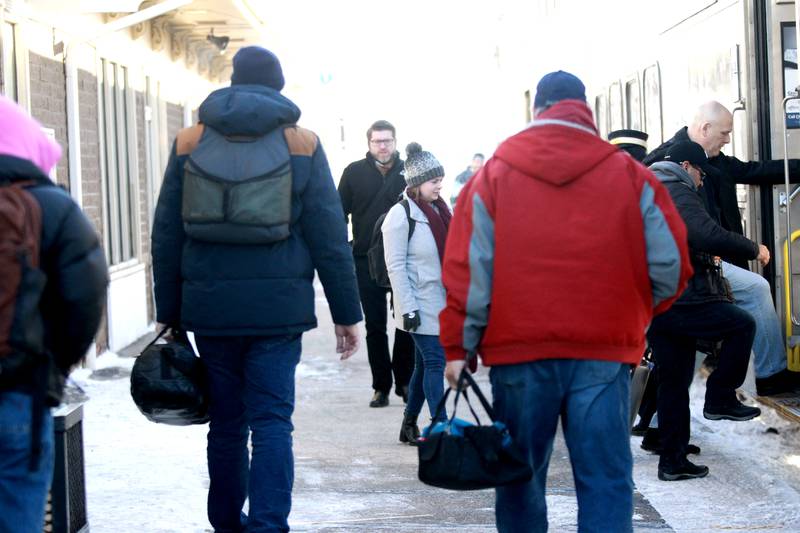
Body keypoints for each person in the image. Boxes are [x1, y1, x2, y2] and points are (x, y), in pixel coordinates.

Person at [439, 71, 692, 533]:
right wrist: (634, 314)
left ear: (537, 112)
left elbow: (469, 271)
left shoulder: (493, 175)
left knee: (518, 478)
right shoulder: (630, 175)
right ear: (585, 112)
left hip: (519, 353)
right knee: (606, 481)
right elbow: (671, 265)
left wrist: (460, 345)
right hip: (602, 352)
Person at [151, 46, 362, 533]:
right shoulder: (301, 143)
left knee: (226, 423)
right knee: (271, 422)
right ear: (279, 87)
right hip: (278, 311)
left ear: (232, 82)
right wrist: (347, 314)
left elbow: (167, 232)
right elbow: (329, 235)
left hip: (211, 309)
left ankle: (226, 522)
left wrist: (170, 310)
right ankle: (268, 525)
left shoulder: (190, 140)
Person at [0, 95, 108, 533]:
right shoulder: (53, 207)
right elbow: (85, 297)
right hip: (17, 388)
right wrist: (53, 365)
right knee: (18, 507)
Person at [644, 101, 800, 396]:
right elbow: (696, 228)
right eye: (725, 133)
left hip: (708, 264)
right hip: (688, 267)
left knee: (688, 348)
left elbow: (755, 170)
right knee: (752, 294)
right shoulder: (670, 161)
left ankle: (658, 425)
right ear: (705, 129)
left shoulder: (713, 159)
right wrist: (751, 248)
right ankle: (761, 378)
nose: (728, 138)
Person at [648, 141, 763, 481]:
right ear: (688, 165)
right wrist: (753, 248)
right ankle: (720, 397)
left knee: (674, 380)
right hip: (681, 295)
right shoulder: (677, 188)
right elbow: (704, 233)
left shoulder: (652, 186)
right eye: (701, 173)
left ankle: (672, 460)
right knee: (742, 324)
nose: (701, 181)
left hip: (656, 297)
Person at [338, 121, 415, 408]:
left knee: (406, 323)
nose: (383, 146)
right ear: (369, 144)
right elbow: (338, 213)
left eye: (388, 141)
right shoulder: (353, 173)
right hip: (365, 260)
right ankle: (380, 386)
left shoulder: (410, 172)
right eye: (377, 141)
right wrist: (345, 250)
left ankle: (404, 381)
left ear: (395, 142)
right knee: (375, 326)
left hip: (404, 260)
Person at [382, 143, 452, 445]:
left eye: (440, 179)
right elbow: (395, 266)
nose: (439, 185)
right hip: (418, 304)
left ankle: (409, 423)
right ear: (416, 183)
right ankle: (441, 427)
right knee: (435, 362)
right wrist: (407, 308)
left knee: (425, 365)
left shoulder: (440, 209)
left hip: (441, 302)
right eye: (433, 180)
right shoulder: (400, 216)